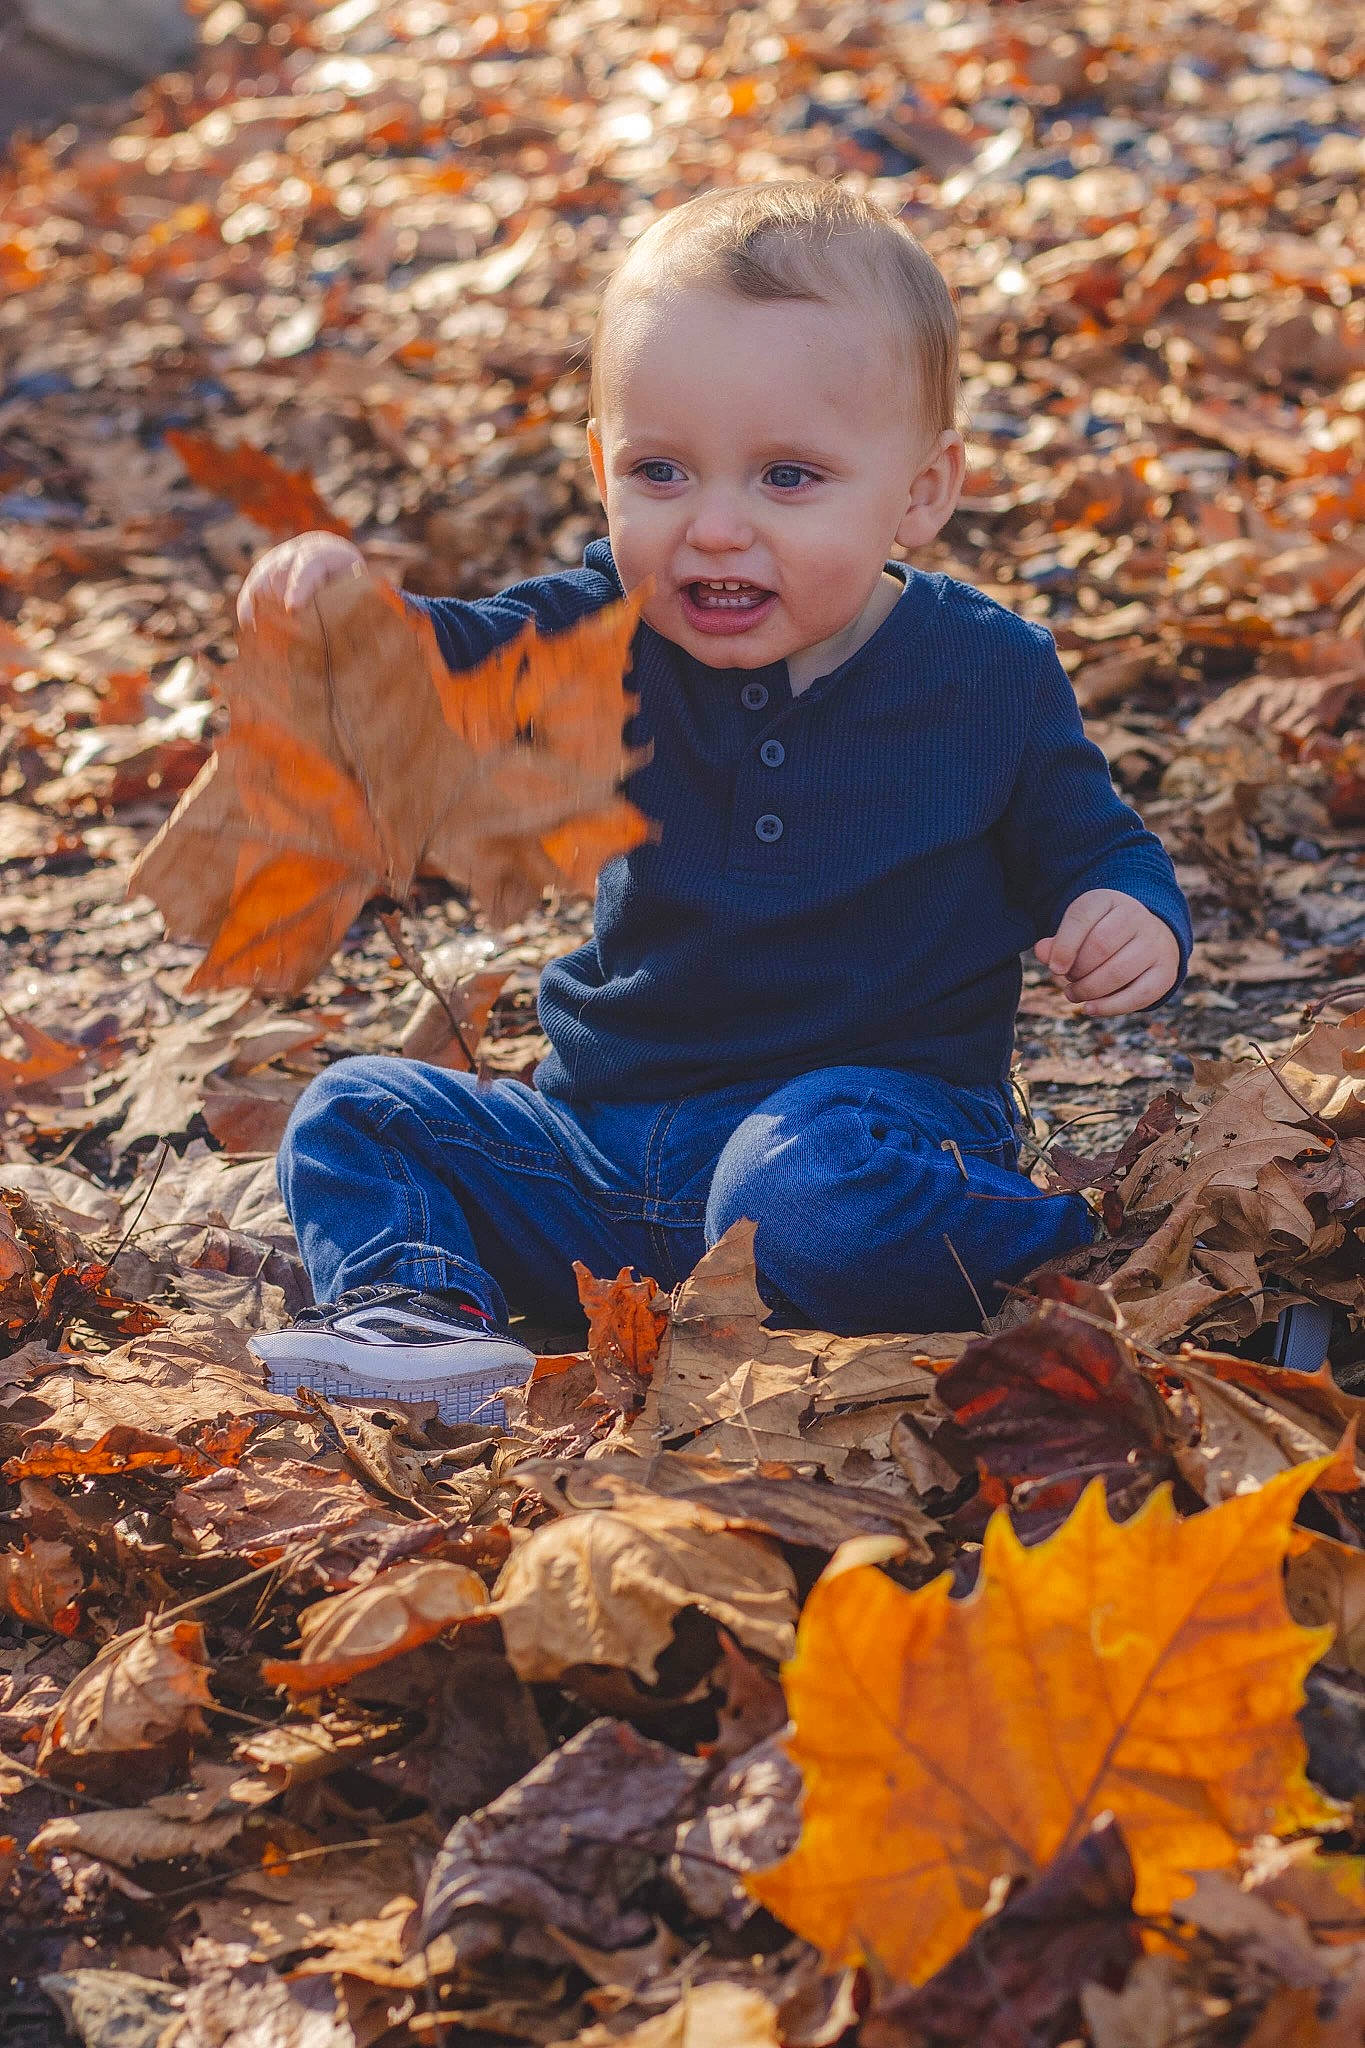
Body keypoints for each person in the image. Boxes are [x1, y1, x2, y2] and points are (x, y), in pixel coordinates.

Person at [245, 180, 1191, 1423]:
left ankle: (1067, 1241)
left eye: (787, 476)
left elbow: (1095, 841)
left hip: (860, 1134)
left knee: (799, 1195)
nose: (716, 528)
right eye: (662, 471)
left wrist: (1128, 910)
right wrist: (355, 625)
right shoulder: (606, 627)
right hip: (601, 1154)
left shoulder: (985, 672)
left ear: (921, 490)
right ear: (602, 469)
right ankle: (418, 1316)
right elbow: (461, 667)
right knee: (355, 1109)